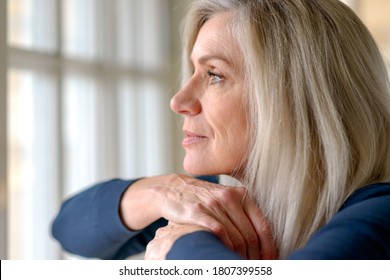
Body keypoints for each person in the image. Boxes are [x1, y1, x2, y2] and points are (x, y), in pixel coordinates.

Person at [52, 0, 390, 260]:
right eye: (194, 72)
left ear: (294, 99)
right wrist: (164, 192)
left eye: (214, 74)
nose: (179, 100)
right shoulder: (233, 201)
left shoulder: (379, 216)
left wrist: (183, 247)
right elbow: (68, 227)